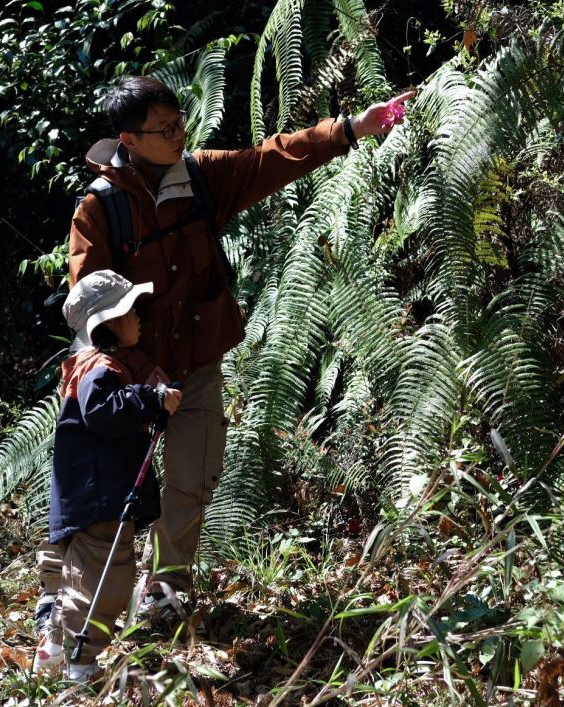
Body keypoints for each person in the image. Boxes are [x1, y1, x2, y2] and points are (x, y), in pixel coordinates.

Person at [37, 76, 415, 630]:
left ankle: (164, 593)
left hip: (196, 358)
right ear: (129, 138)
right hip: (122, 371)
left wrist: (352, 128)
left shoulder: (199, 176)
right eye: (163, 129)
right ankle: (58, 594)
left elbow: (270, 158)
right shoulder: (100, 210)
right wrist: (142, 379)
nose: (177, 135)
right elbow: (91, 307)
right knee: (95, 488)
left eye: (179, 123)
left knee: (193, 476)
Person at [32, 269, 183, 681]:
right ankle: (81, 665)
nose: (140, 318)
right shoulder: (101, 369)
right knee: (105, 580)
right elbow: (104, 413)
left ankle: (56, 648)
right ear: (111, 322)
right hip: (100, 496)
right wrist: (150, 398)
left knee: (79, 575)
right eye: (133, 310)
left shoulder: (86, 366)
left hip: (84, 493)